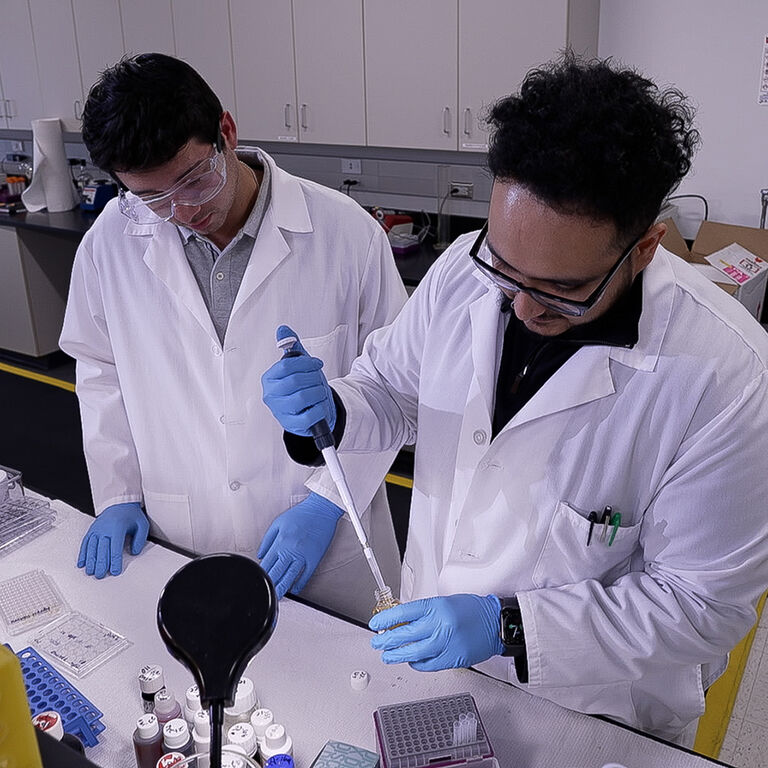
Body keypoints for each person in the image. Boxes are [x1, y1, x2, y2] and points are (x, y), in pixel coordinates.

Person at [261, 54, 768, 744]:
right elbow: (392, 391)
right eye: (504, 265)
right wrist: (333, 408)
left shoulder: (724, 375)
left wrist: (507, 625)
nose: (522, 306)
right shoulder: (463, 272)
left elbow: (703, 604)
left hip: (590, 712)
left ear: (645, 246)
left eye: (562, 288)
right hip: (434, 668)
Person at [59, 53, 407, 622]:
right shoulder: (110, 244)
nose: (182, 210)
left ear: (226, 131)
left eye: (193, 179)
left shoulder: (348, 236)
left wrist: (324, 506)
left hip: (326, 541)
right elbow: (100, 370)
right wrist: (118, 493)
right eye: (152, 197)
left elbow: (396, 388)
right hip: (186, 531)